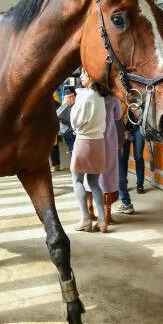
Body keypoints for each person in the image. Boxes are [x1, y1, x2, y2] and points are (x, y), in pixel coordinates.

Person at [70, 70, 109, 233]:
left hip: (84, 141)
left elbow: (76, 121)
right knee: (94, 183)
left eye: (84, 74)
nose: (81, 77)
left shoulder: (85, 96)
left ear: (92, 78)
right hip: (99, 143)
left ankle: (85, 219)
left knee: (77, 180)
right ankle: (102, 220)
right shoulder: (101, 97)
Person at [90, 87, 124, 225]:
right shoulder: (114, 99)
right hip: (109, 139)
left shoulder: (90, 97)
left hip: (92, 138)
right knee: (108, 174)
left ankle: (90, 210)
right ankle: (107, 214)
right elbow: (118, 117)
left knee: (91, 173)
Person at [115, 116, 145, 215]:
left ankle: (139, 184)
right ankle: (125, 195)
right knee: (122, 162)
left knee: (139, 157)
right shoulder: (117, 101)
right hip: (122, 131)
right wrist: (122, 131)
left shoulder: (137, 101)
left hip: (137, 128)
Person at [55, 85, 77, 169]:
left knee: (72, 148)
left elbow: (58, 114)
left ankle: (75, 167)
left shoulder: (64, 103)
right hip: (71, 129)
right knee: (73, 148)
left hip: (66, 130)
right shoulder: (76, 101)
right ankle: (75, 167)